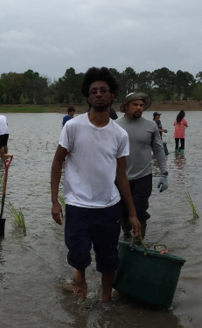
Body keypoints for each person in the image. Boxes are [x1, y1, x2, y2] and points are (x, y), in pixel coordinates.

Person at [50, 66, 140, 302]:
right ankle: (79, 274)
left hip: (108, 206)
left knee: (108, 258)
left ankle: (105, 300)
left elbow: (122, 176)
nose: (99, 94)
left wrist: (132, 213)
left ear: (112, 96)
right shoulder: (73, 127)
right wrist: (54, 201)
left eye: (104, 90)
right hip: (78, 205)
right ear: (88, 97)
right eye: (94, 91)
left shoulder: (119, 135)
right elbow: (58, 162)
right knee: (78, 253)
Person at [116, 92, 168, 239]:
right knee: (123, 211)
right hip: (120, 177)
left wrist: (164, 173)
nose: (139, 107)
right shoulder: (115, 126)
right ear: (126, 106)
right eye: (135, 105)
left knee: (139, 209)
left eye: (141, 105)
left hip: (143, 176)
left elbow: (158, 149)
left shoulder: (150, 126)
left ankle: (139, 242)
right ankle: (127, 238)